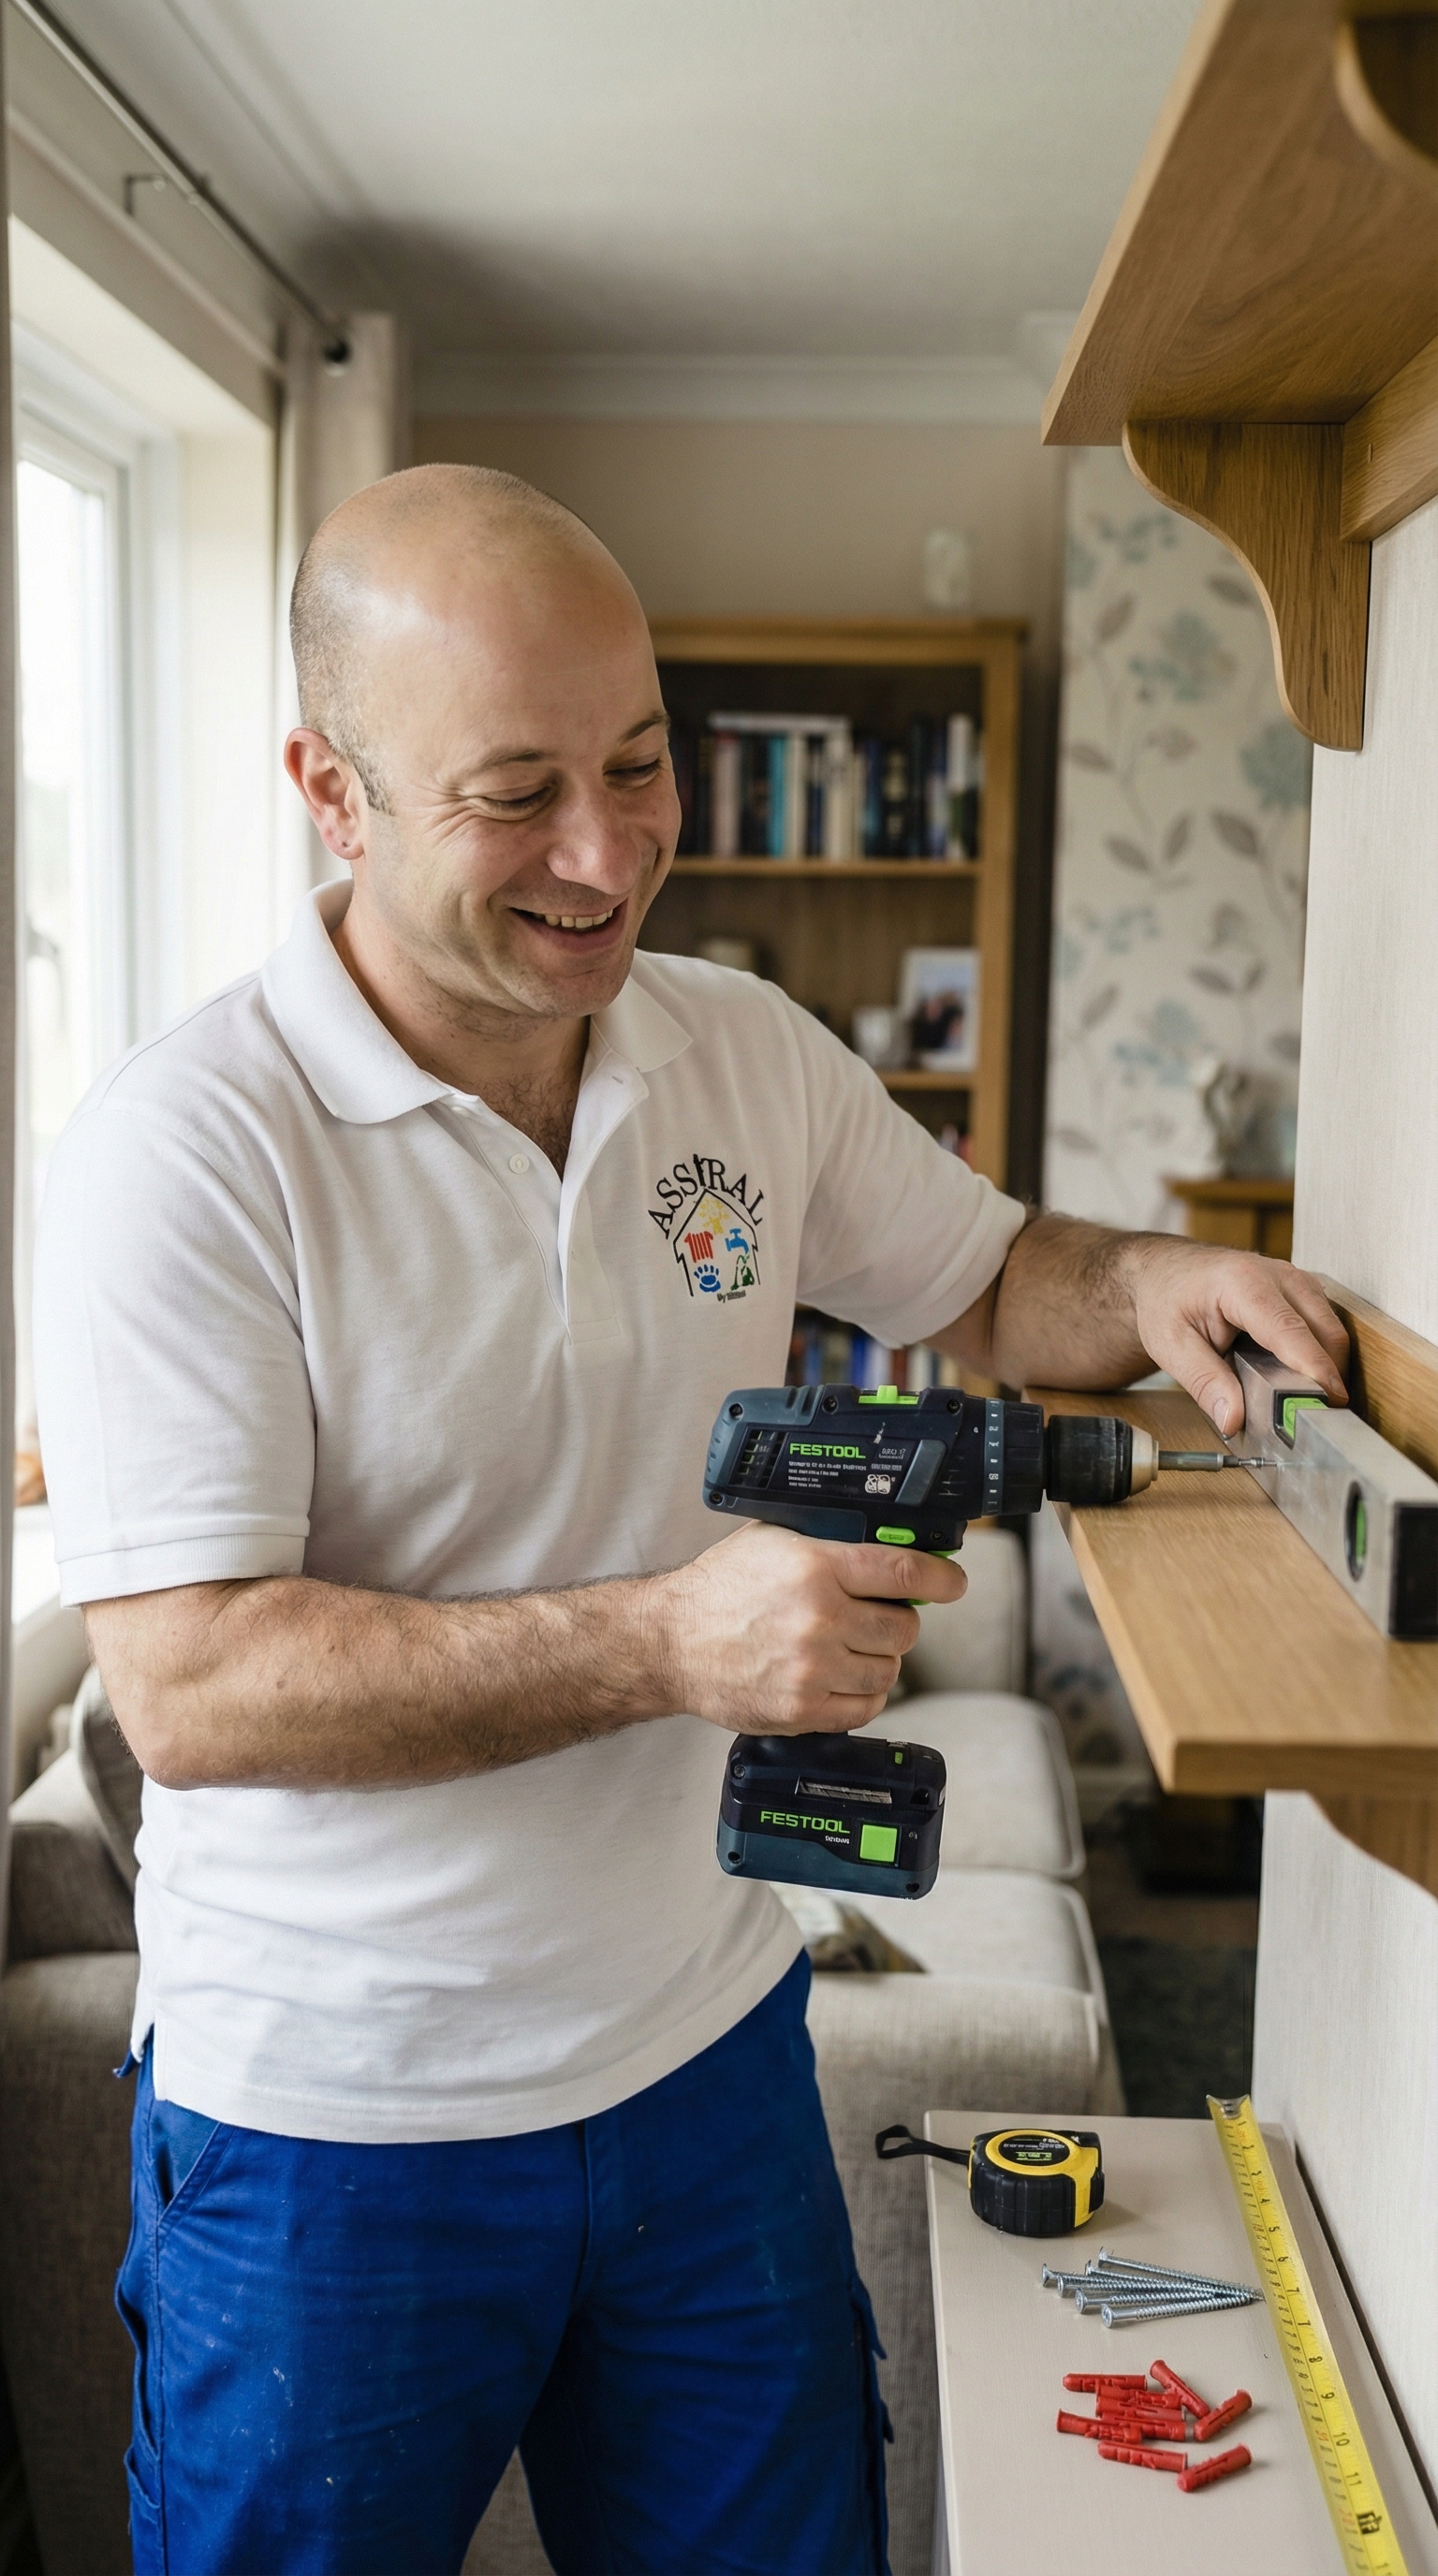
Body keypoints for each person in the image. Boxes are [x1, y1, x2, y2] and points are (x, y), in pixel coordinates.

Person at [34, 465, 1348, 2576]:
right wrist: (668, 1641)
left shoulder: (736, 1047)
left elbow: (999, 1277)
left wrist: (1157, 1285)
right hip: (330, 2138)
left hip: (708, 2061)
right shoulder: (179, 1157)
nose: (605, 850)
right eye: (518, 791)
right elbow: (190, 1686)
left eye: (642, 764)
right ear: (329, 786)